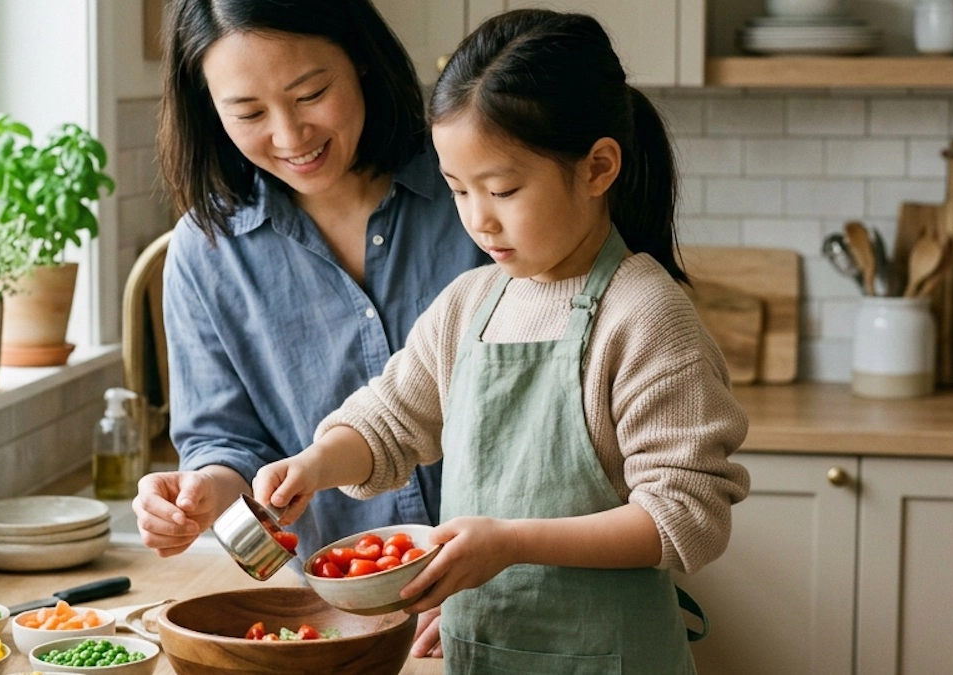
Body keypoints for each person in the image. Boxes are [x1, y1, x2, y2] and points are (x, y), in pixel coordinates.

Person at [252, 9, 752, 673]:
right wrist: (315, 464)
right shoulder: (470, 303)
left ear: (599, 166)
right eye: (458, 189)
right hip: (482, 655)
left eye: (503, 188)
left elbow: (685, 515)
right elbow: (391, 420)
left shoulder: (645, 315)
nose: (479, 219)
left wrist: (510, 542)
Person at [132, 0, 489, 658]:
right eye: (248, 113)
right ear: (208, 108)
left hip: (512, 599)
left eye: (311, 93)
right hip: (338, 621)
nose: (290, 135)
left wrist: (491, 577)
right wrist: (198, 492)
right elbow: (225, 441)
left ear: (360, 59)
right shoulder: (206, 252)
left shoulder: (475, 189)